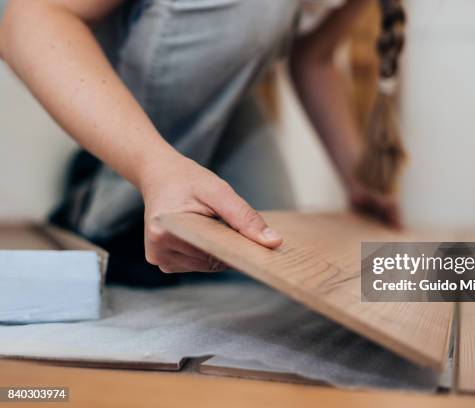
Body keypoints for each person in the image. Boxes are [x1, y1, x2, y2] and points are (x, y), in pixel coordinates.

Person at [0, 0, 404, 285]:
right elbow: (28, 15)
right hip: (84, 50)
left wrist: (357, 181)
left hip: (209, 69)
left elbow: (313, 57)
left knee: (259, 270)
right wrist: (152, 164)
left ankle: (142, 189)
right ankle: (105, 206)